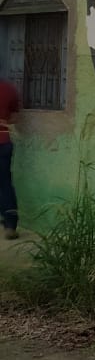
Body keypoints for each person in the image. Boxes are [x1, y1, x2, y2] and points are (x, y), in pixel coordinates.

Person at [0, 77, 19, 240]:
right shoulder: (9, 89)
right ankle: (10, 225)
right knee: (5, 184)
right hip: (4, 141)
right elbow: (14, 119)